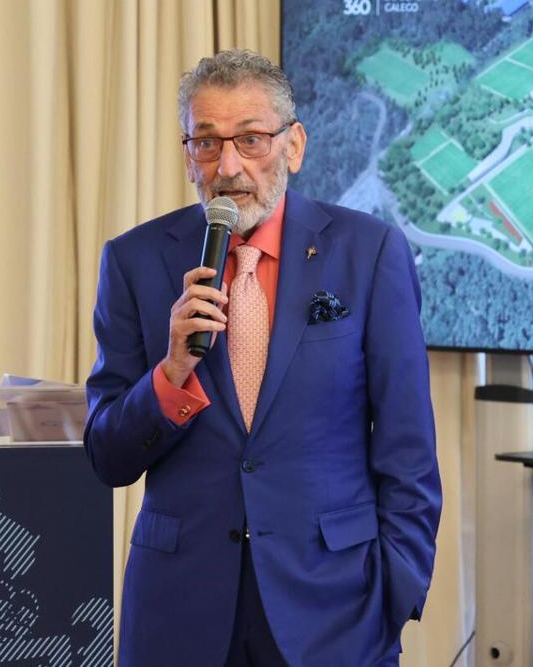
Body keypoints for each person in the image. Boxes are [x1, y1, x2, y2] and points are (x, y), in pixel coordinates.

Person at [84, 49, 441, 666]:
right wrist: (170, 374)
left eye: (250, 140)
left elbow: (408, 449)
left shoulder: (369, 252)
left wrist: (396, 592)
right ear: (188, 153)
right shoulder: (135, 261)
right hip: (180, 613)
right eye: (206, 143)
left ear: (293, 146)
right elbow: (108, 456)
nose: (228, 166)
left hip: (335, 610)